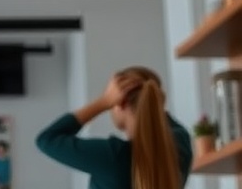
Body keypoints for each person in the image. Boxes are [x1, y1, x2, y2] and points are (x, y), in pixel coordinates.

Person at [36, 66, 192, 189]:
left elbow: (47, 139)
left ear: (119, 102)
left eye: (111, 101)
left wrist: (103, 102)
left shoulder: (114, 157)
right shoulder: (180, 142)